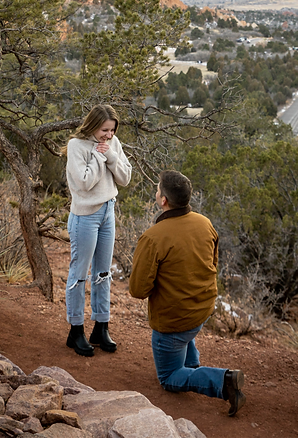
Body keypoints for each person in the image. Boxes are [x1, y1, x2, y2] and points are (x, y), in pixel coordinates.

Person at [129, 170, 246, 416]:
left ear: (163, 201)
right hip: (202, 310)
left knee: (169, 377)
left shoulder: (153, 238)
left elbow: (138, 290)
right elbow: (211, 264)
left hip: (174, 322)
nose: (157, 192)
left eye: (158, 189)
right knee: (185, 329)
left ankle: (224, 381)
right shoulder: (205, 223)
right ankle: (191, 364)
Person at [64, 104, 132, 357]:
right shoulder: (76, 146)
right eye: (105, 130)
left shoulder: (114, 143)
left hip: (108, 211)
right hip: (85, 216)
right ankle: (76, 330)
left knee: (103, 273)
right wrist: (99, 157)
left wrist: (111, 155)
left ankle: (101, 327)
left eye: (112, 130)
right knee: (79, 274)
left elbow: (125, 178)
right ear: (93, 126)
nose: (109, 136)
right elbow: (83, 183)